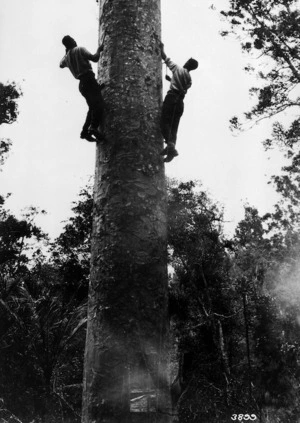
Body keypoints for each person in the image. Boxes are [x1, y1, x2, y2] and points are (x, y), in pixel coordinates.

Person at [59, 35, 105, 142]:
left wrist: (67, 53)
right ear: (72, 41)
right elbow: (95, 58)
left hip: (82, 85)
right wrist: (99, 50)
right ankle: (93, 127)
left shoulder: (66, 58)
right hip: (89, 79)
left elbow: (60, 65)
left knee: (92, 107)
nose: (75, 40)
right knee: (99, 105)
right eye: (73, 39)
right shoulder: (79, 49)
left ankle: (85, 133)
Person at [160, 43, 198, 162]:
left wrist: (161, 48)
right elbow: (182, 88)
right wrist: (171, 80)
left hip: (171, 98)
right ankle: (172, 148)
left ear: (188, 64)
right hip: (180, 102)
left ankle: (170, 145)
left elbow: (165, 58)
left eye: (187, 61)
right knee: (174, 126)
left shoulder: (178, 69)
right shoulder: (190, 80)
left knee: (164, 121)